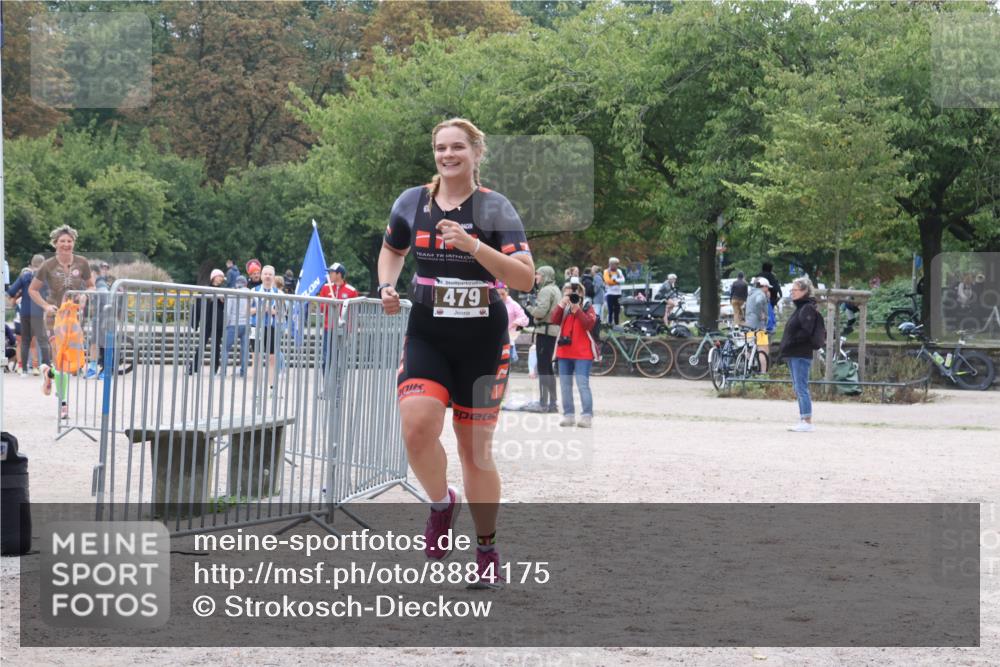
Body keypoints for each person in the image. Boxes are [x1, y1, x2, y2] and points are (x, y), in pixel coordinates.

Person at [376, 117, 534, 590]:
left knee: (474, 453)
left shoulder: (495, 208)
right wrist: (386, 284)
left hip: (483, 340)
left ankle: (486, 546)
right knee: (416, 425)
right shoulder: (412, 201)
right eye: (441, 148)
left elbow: (525, 278)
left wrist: (473, 245)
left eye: (458, 147)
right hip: (428, 333)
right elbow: (392, 250)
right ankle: (442, 503)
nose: (448, 155)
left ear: (476, 153)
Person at [27, 225, 95, 419]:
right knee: (61, 362)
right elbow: (33, 290)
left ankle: (48, 373)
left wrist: (84, 296)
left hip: (72, 319)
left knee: (71, 364)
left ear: (73, 243)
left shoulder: (82, 263)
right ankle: (63, 404)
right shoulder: (47, 265)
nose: (66, 244)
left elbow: (90, 286)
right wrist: (45, 306)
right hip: (53, 317)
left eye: (69, 241)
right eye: (62, 241)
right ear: (55, 244)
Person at [551, 277, 598, 428]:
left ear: (580, 294)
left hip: (583, 353)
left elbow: (588, 324)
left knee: (582, 385)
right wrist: (561, 304)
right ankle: (569, 415)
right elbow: (554, 320)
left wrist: (577, 310)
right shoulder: (564, 308)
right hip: (564, 352)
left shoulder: (587, 306)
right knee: (565, 385)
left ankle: (586, 416)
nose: (570, 297)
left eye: (573, 294)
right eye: (567, 294)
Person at [779, 277, 820, 432]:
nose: (792, 293)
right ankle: (803, 418)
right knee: (798, 387)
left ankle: (807, 420)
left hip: (800, 353)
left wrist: (792, 341)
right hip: (793, 352)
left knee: (802, 387)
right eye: (791, 290)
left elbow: (806, 330)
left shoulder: (807, 308)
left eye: (795, 290)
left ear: (804, 291)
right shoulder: (800, 307)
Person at [6, 254, 50, 376]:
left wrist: (19, 294)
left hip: (24, 312)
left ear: (31, 264)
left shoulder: (25, 276)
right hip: (38, 312)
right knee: (39, 341)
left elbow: (11, 291)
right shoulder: (45, 278)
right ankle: (43, 368)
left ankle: (23, 370)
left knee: (24, 342)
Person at [526, 266, 562, 413]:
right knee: (548, 368)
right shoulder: (556, 289)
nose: (536, 277)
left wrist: (529, 308)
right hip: (552, 332)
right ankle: (552, 403)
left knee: (543, 368)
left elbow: (540, 312)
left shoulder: (546, 290)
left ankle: (543, 403)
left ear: (545, 276)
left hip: (545, 331)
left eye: (538, 275)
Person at [317, 262, 359, 387]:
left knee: (340, 359)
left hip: (343, 330)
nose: (329, 274)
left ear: (339, 274)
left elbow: (354, 311)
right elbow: (321, 306)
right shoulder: (325, 288)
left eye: (331, 272)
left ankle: (338, 386)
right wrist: (331, 305)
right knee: (326, 358)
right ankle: (327, 386)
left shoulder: (351, 291)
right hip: (328, 328)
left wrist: (350, 329)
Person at [250, 265, 281, 394]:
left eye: (270, 274)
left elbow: (281, 313)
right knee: (256, 358)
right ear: (261, 276)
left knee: (272, 358)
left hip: (271, 327)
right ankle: (256, 389)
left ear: (273, 277)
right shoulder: (253, 290)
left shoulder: (278, 293)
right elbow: (247, 311)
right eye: (265, 274)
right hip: (256, 327)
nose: (268, 276)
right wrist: (261, 309)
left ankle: (272, 388)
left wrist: (271, 310)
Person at [189, 269, 226, 375]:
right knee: (201, 345)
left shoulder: (223, 290)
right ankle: (193, 368)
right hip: (207, 321)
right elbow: (199, 305)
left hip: (218, 322)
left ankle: (214, 369)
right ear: (214, 277)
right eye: (219, 276)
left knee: (216, 346)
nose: (221, 279)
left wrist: (222, 300)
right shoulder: (205, 289)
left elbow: (225, 306)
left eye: (222, 277)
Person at [223, 275, 251, 376]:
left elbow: (228, 311)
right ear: (246, 284)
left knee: (226, 349)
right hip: (246, 324)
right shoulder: (250, 293)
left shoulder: (233, 293)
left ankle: (223, 372)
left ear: (236, 283)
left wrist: (226, 324)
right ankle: (243, 372)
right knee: (244, 350)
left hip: (233, 324)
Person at [498, 282, 528, 363]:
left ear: (507, 292)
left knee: (505, 365)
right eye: (498, 294)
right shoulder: (493, 304)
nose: (500, 297)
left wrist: (516, 323)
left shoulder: (513, 304)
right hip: (496, 339)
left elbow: (525, 319)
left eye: (502, 294)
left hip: (508, 339)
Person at [602, 258, 625, 326]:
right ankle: (609, 323)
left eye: (617, 264)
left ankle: (617, 324)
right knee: (610, 310)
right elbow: (608, 281)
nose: (616, 266)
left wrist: (615, 281)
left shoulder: (619, 271)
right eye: (615, 264)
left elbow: (623, 280)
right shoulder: (606, 271)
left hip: (618, 293)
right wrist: (617, 282)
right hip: (610, 293)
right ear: (611, 264)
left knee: (617, 310)